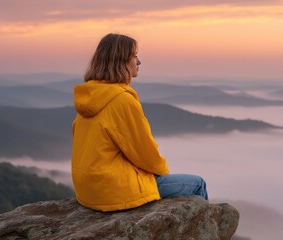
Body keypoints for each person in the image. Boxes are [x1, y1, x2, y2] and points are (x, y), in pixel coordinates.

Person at [71, 33, 208, 212]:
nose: (139, 61)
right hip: (114, 189)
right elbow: (144, 152)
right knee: (198, 184)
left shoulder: (90, 95)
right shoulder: (121, 101)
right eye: (134, 56)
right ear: (121, 61)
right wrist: (162, 174)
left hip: (88, 189)